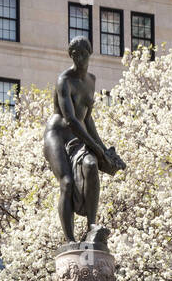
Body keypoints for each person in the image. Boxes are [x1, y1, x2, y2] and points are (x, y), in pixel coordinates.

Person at [43, 36, 126, 246]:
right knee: (67, 182)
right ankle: (69, 240)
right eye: (75, 55)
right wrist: (96, 148)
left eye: (83, 54)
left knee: (90, 165)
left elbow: (86, 119)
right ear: (71, 56)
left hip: (78, 135)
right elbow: (71, 119)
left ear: (89, 54)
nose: (79, 58)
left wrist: (104, 150)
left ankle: (91, 225)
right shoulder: (64, 80)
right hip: (58, 135)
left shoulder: (91, 80)